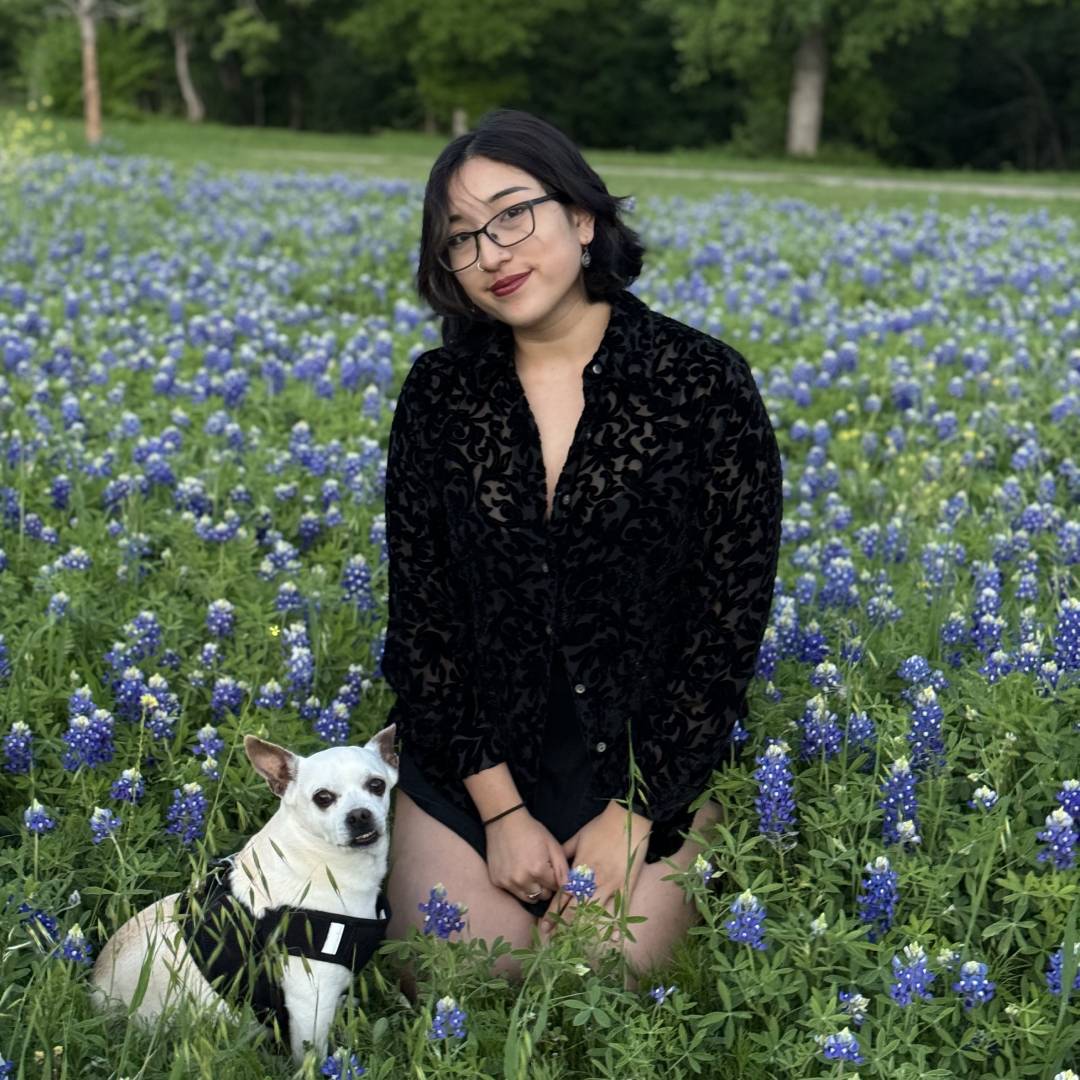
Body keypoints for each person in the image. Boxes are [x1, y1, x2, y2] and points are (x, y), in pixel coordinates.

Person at [381, 108, 783, 983]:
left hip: (648, 756)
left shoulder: (703, 383)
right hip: (480, 754)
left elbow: (725, 631)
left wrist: (634, 814)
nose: (493, 250)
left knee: (602, 976)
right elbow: (424, 625)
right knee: (464, 975)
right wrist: (500, 813)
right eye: (461, 238)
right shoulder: (440, 395)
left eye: (513, 212)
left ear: (583, 216)